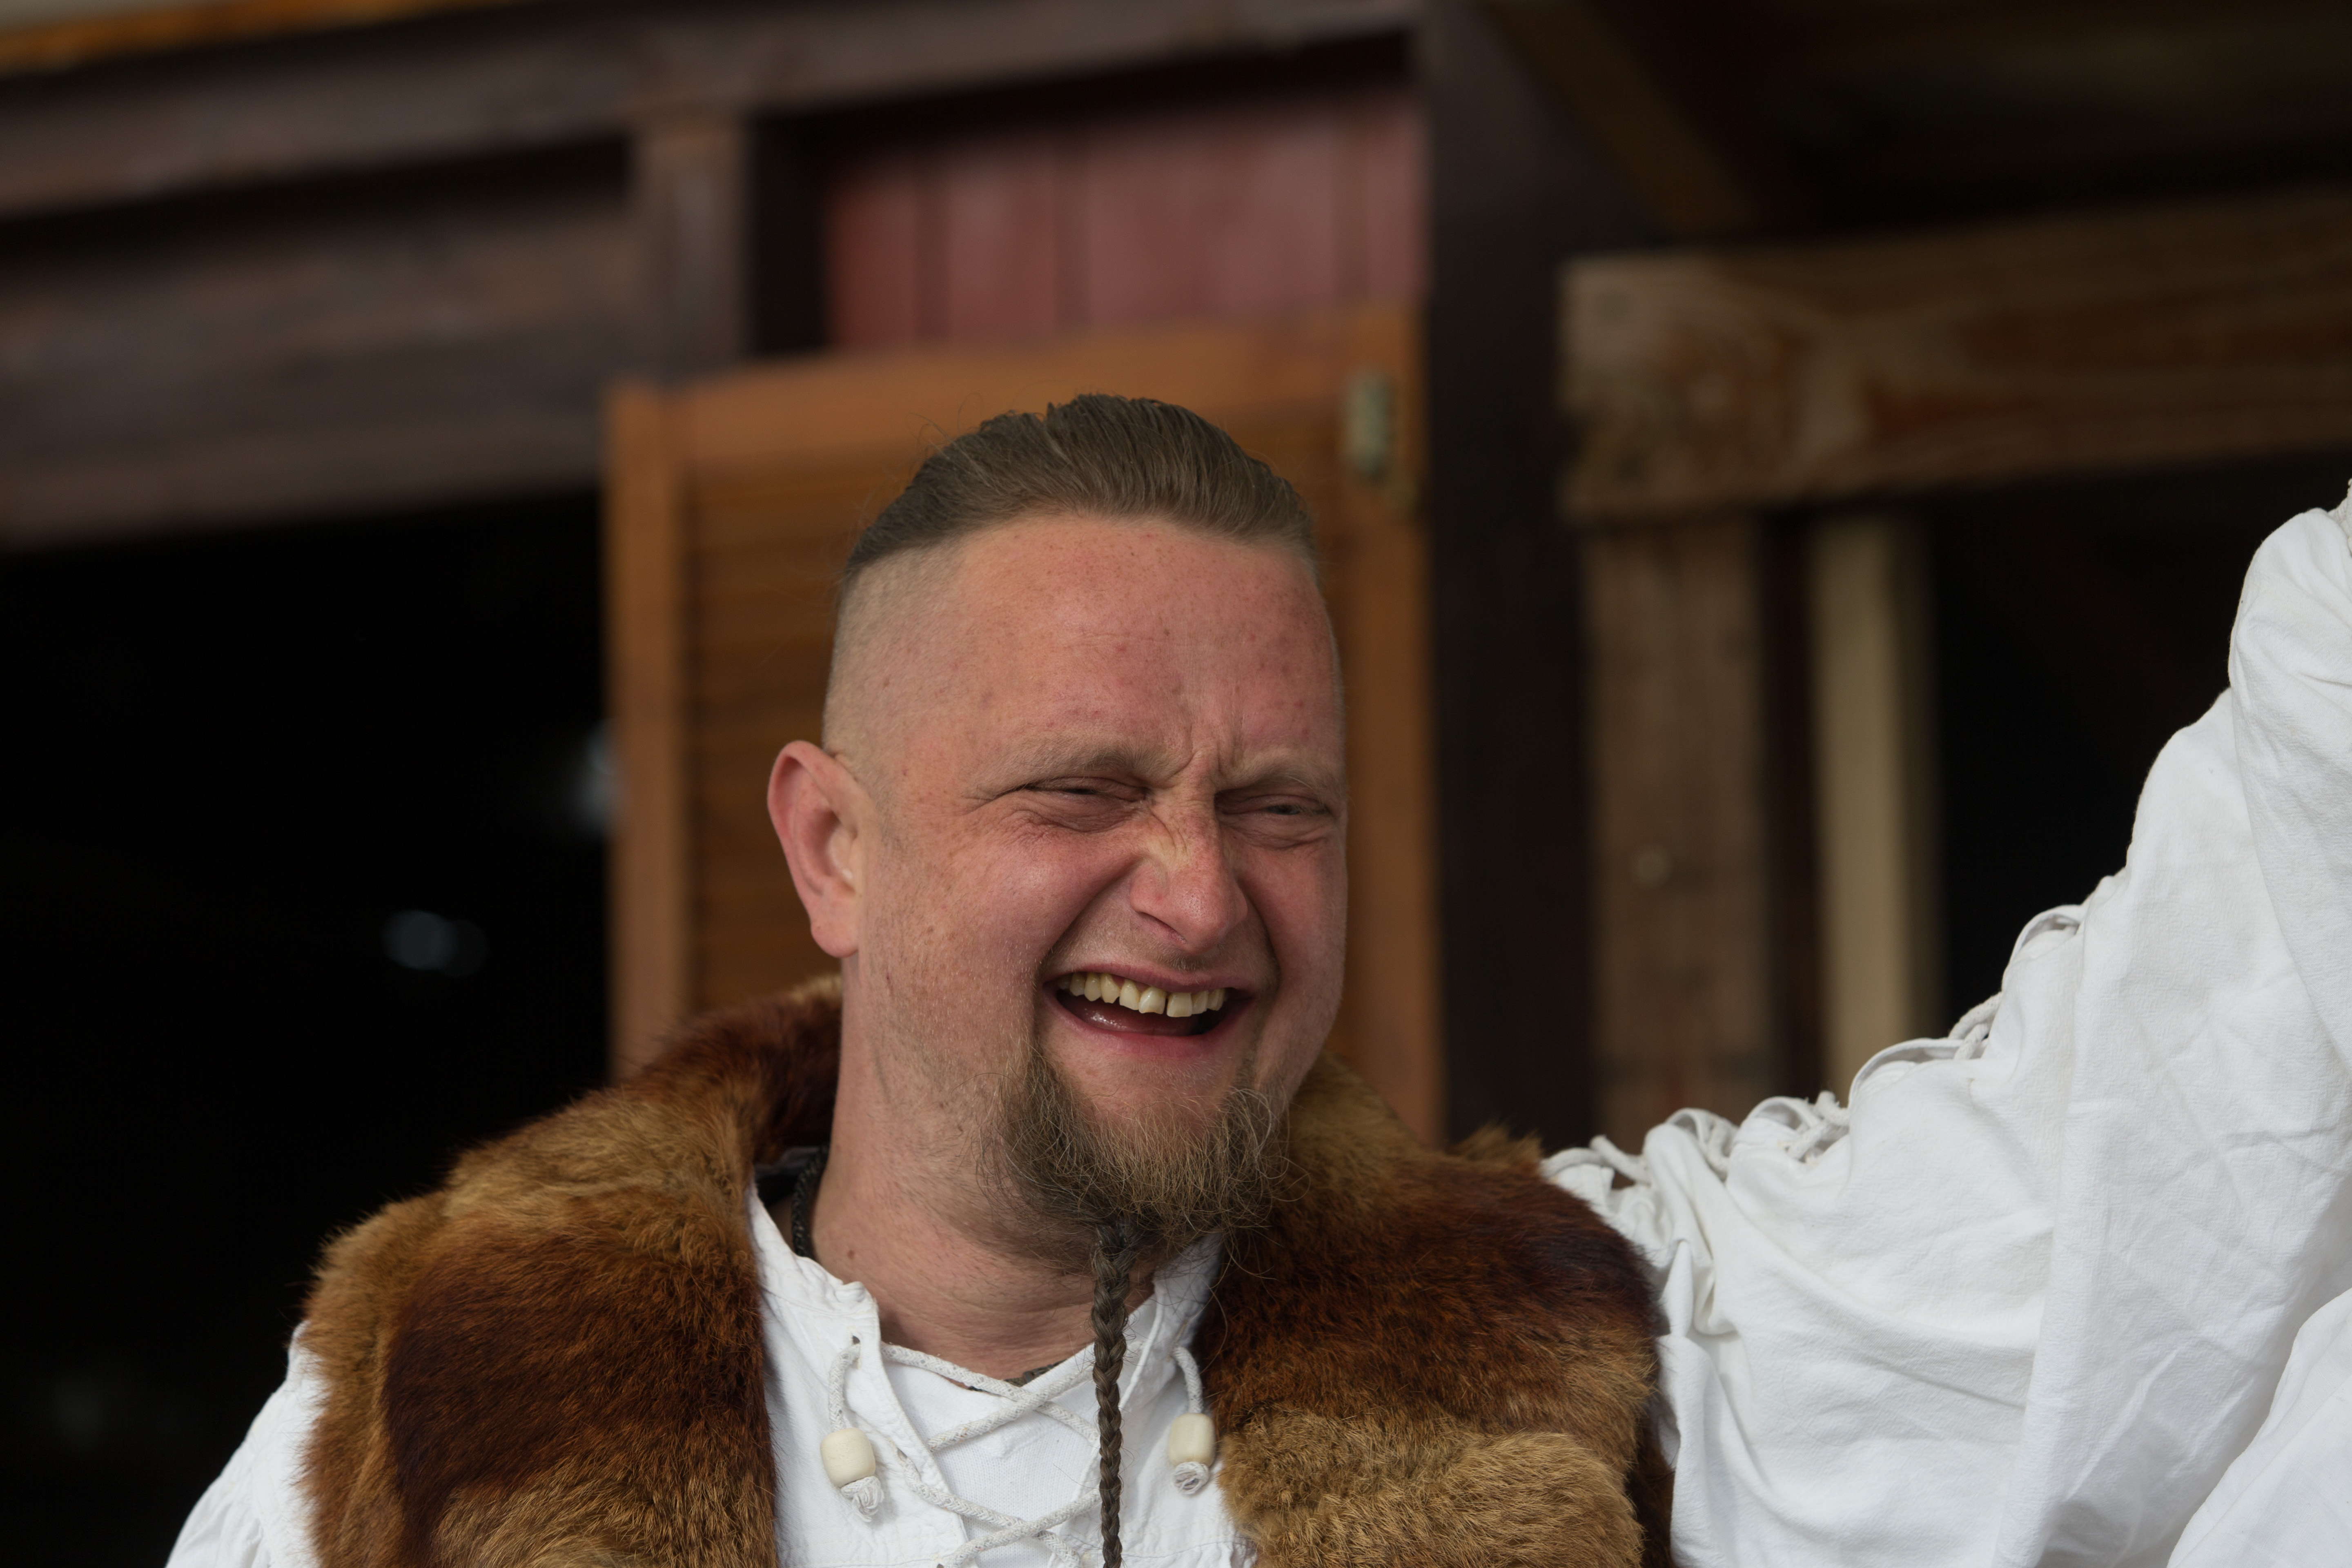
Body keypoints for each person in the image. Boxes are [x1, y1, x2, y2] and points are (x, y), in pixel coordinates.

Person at [167, 394, 1672, 1568]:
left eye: (1280, 807)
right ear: (836, 853)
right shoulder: (410, 1414)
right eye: (1080, 792)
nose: (1204, 896)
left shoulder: (1597, 1348)